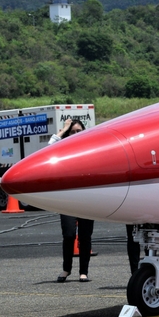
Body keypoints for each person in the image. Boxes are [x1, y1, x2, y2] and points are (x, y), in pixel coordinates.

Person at [50, 118, 94, 283]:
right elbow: (49, 147)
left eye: (79, 131)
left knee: (85, 236)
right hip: (68, 198)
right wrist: (64, 129)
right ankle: (66, 269)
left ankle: (84, 271)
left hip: (87, 198)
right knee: (68, 235)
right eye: (73, 131)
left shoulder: (91, 149)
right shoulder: (63, 148)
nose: (76, 134)